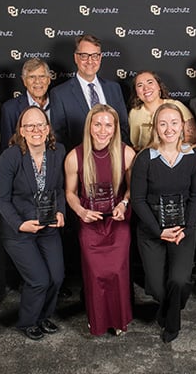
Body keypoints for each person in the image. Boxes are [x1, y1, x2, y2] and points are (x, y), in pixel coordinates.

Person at [130, 103, 196, 343]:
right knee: (156, 286)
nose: (169, 128)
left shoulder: (193, 156)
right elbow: (138, 200)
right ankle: (170, 302)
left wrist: (187, 227)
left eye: (174, 123)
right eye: (163, 123)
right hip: (152, 229)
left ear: (182, 126)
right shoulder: (145, 159)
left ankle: (172, 322)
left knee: (179, 280)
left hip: (184, 227)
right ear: (155, 128)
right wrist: (159, 230)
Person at [0, 106, 66, 341]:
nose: (35, 130)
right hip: (19, 230)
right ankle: (28, 321)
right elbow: (2, 199)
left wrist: (61, 212)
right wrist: (19, 224)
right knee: (38, 280)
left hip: (47, 225)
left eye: (40, 125)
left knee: (56, 277)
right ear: (21, 131)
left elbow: (59, 190)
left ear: (47, 129)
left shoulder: (58, 152)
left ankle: (44, 316)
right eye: (29, 126)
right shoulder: (11, 156)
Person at [65, 104, 136, 336]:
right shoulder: (74, 156)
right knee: (96, 274)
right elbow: (70, 193)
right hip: (90, 220)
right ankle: (97, 320)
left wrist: (124, 204)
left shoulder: (126, 153)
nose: (103, 130)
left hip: (117, 219)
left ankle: (119, 320)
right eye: (98, 124)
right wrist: (81, 212)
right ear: (90, 127)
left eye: (108, 125)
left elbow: (133, 190)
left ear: (115, 128)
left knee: (116, 270)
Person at [50, 34, 129, 151]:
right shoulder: (60, 93)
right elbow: (59, 136)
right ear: (76, 58)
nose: (90, 61)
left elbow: (123, 127)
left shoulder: (114, 88)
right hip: (78, 161)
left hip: (113, 158)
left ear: (100, 57)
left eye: (95, 56)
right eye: (84, 56)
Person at [128, 70, 196, 151]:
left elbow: (193, 137)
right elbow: (136, 144)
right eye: (140, 85)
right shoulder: (134, 113)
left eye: (150, 82)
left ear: (159, 86)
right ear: (136, 92)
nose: (146, 88)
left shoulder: (177, 106)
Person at [0, 58, 53, 153]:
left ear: (49, 80)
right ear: (24, 81)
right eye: (32, 77)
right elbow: (7, 147)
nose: (37, 81)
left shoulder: (60, 103)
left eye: (42, 76)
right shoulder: (10, 109)